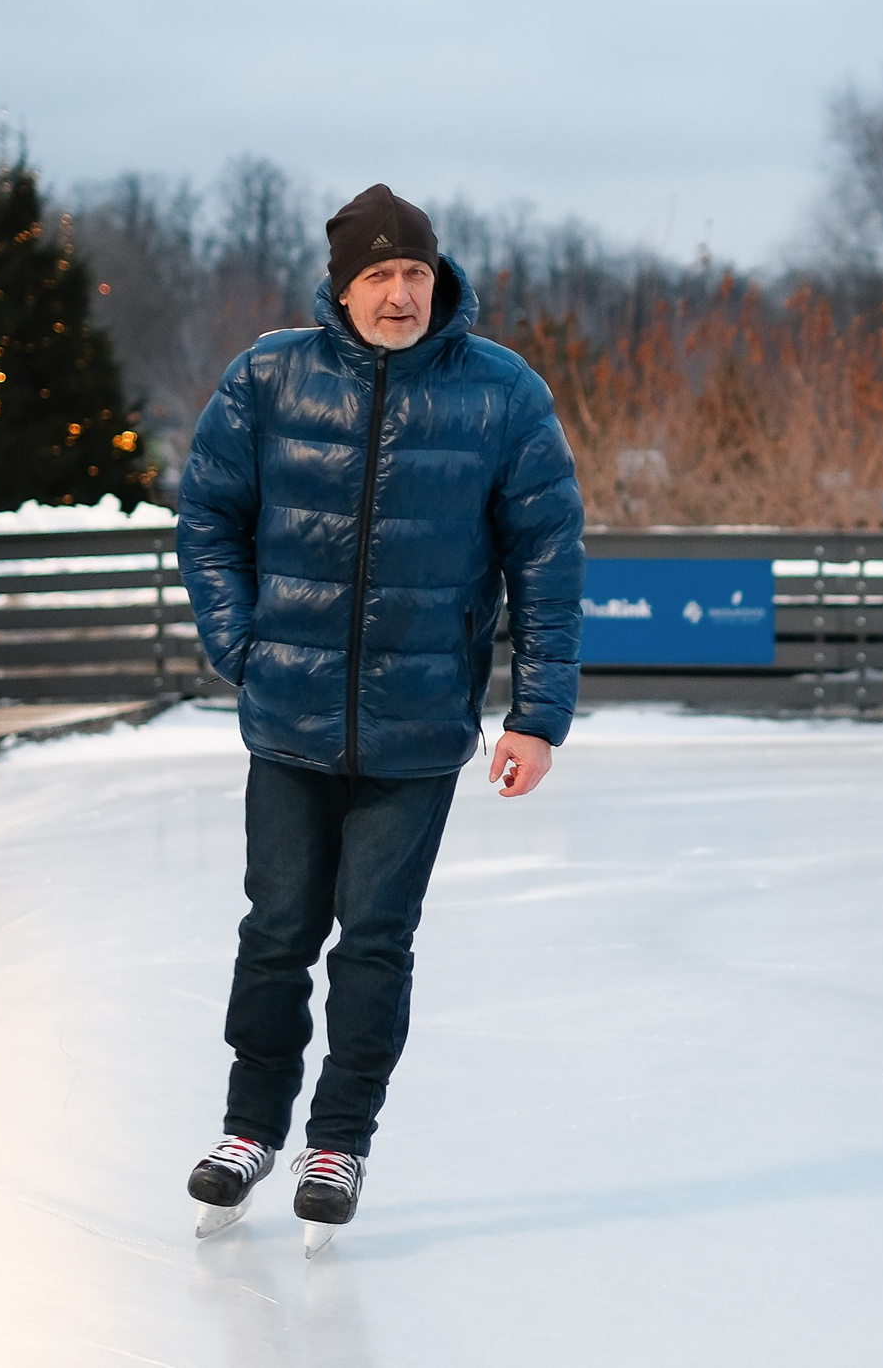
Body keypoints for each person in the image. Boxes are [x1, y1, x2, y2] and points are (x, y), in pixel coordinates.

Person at [173, 182, 585, 1251]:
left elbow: (547, 560)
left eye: (414, 273)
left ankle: (336, 1143)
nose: (399, 293)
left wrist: (535, 714)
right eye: (378, 275)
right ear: (342, 287)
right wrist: (241, 645)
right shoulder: (269, 377)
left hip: (417, 731)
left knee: (374, 943)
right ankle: (248, 1128)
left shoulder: (501, 393)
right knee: (275, 934)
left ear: (436, 280)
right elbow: (209, 514)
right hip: (290, 718)